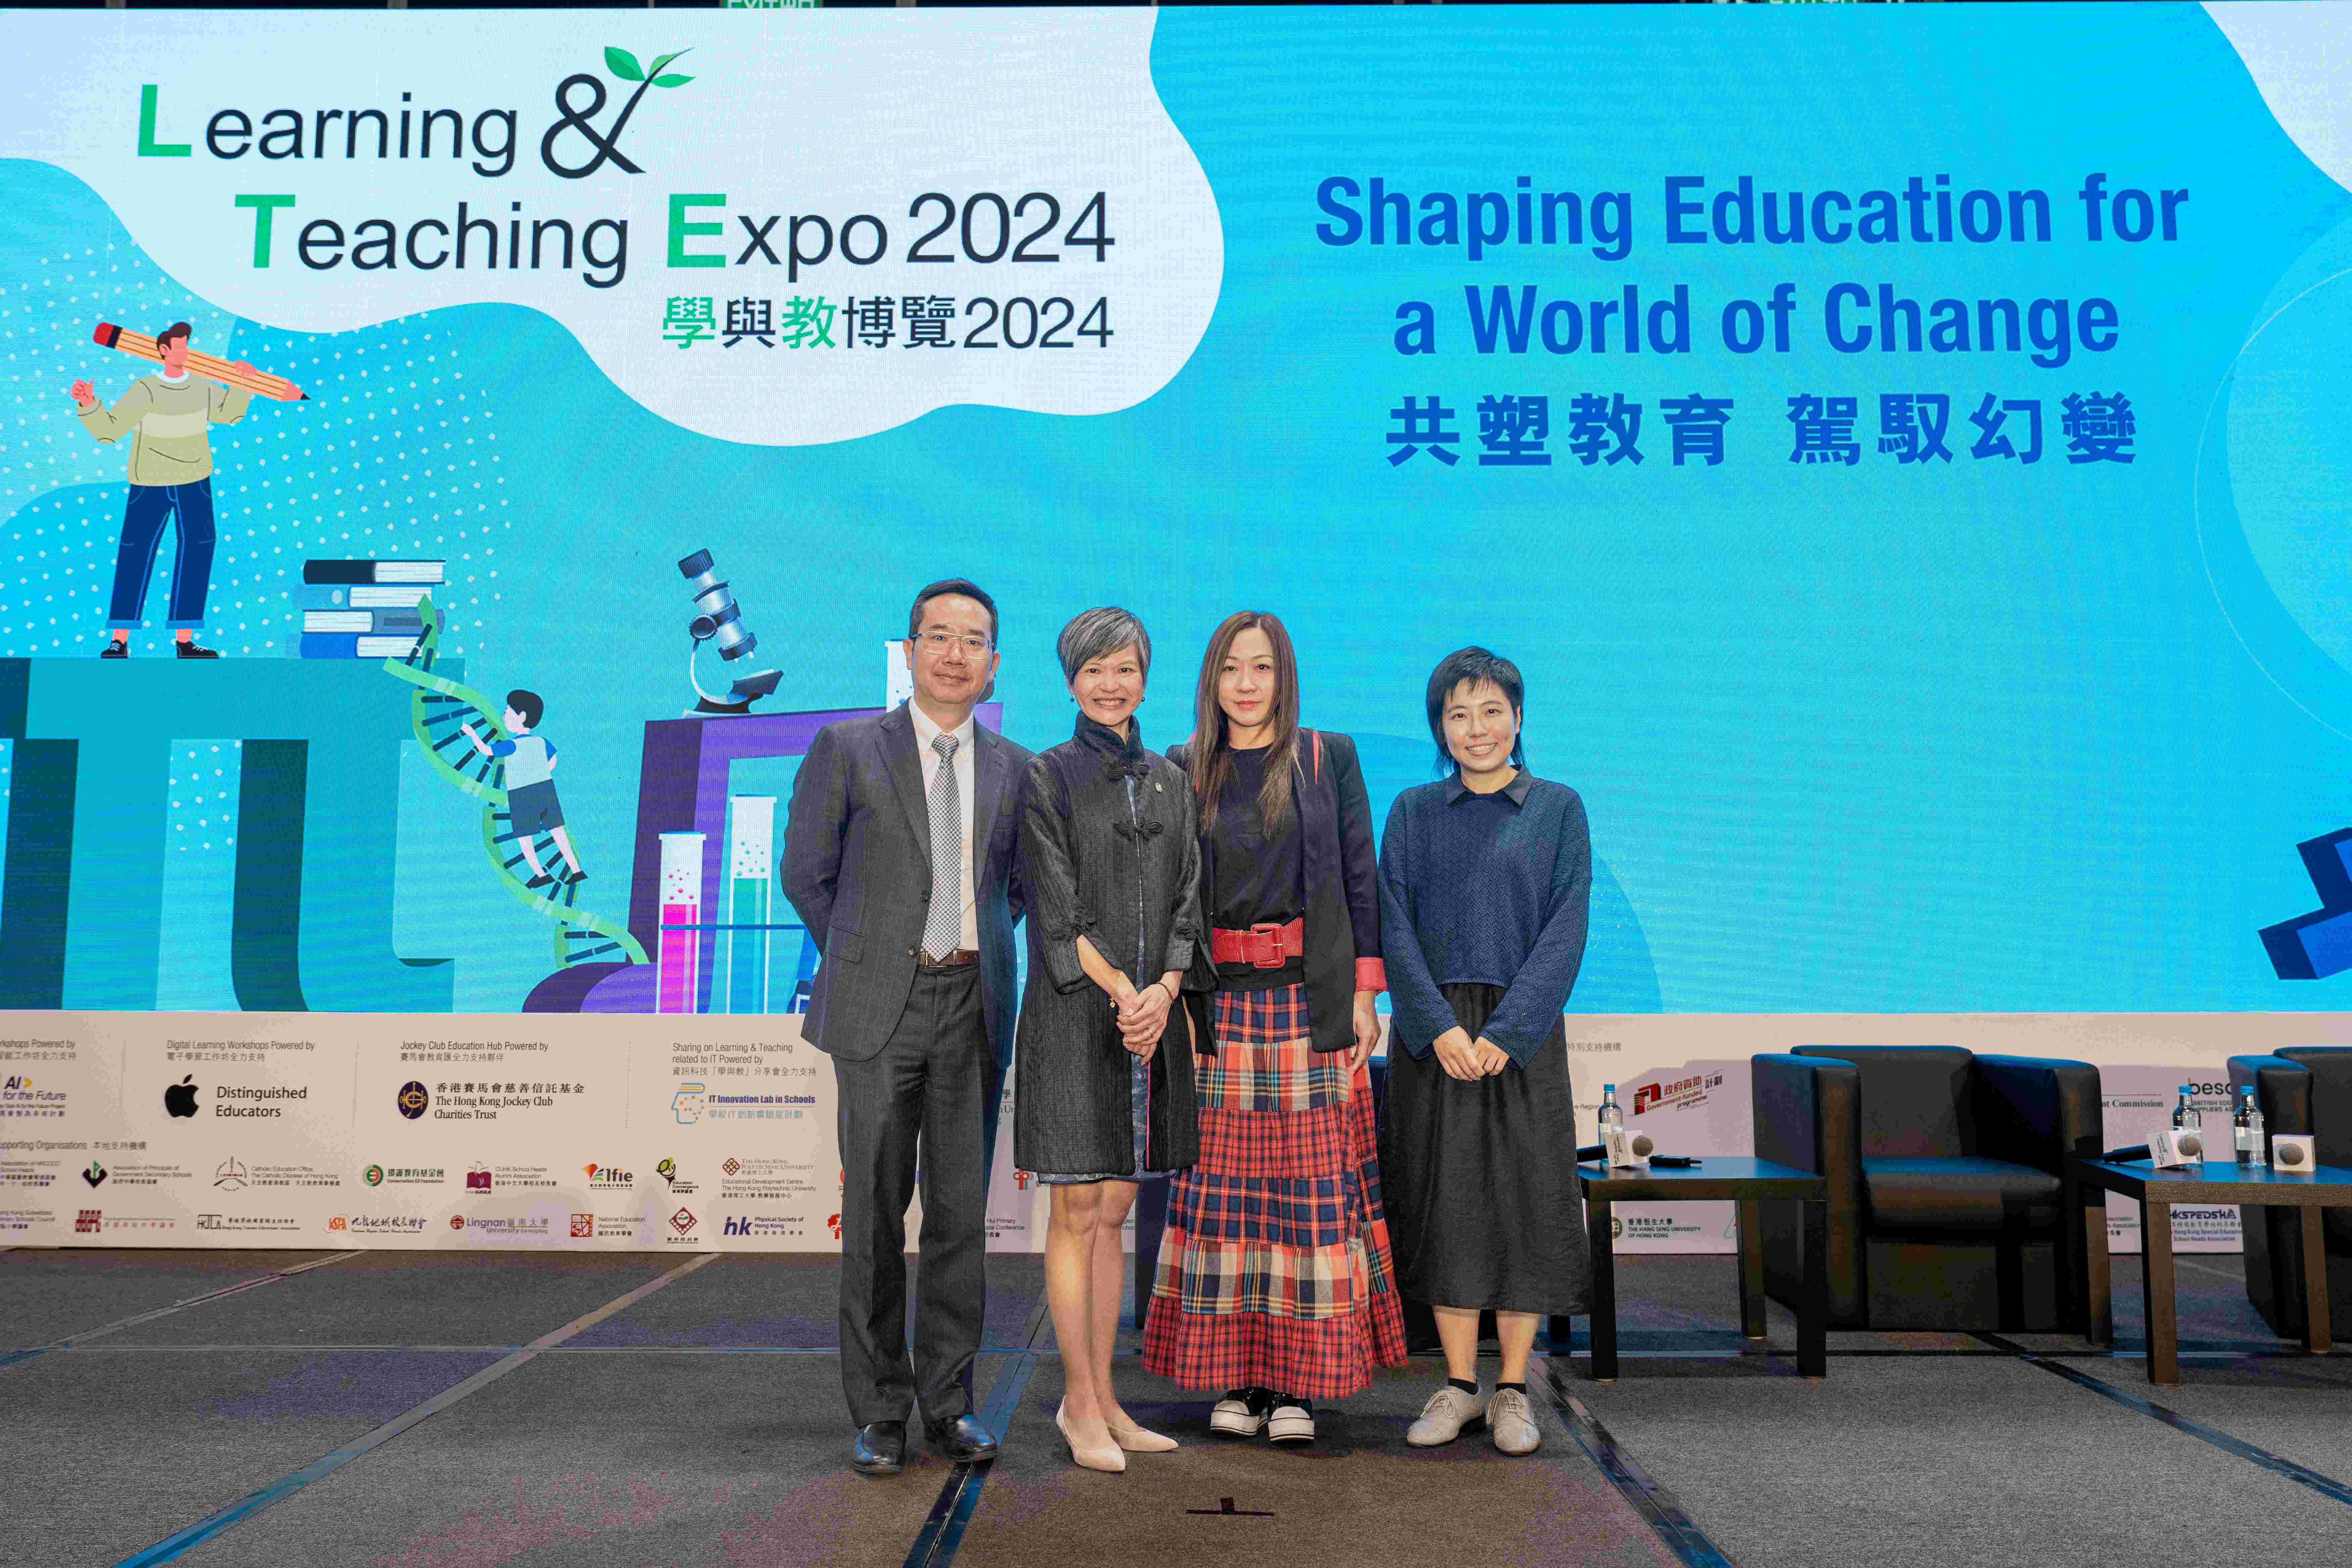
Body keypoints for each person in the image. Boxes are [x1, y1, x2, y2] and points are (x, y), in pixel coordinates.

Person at [780, 579, 1031, 1477]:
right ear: (911, 650)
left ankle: (949, 1405)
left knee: (961, 1218)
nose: (956, 653)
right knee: (876, 1215)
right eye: (939, 635)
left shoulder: (1016, 767)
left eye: (974, 640)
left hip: (973, 1006)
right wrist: (870, 958)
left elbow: (1022, 888)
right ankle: (881, 1409)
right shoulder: (848, 748)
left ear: (993, 662)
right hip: (879, 1011)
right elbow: (805, 873)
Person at [1141, 611, 1407, 1445]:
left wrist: (1367, 993)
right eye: (1231, 668)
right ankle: (1242, 1378)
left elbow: (1360, 880)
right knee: (1226, 1203)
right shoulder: (1183, 765)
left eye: (1261, 667)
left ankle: (1301, 1385)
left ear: (1284, 676)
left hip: (1308, 1003)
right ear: (1211, 680)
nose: (1246, 684)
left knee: (1310, 1200)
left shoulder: (1328, 758)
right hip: (1217, 1008)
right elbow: (1169, 893)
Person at [1377, 646, 1591, 1458]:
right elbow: (1393, 924)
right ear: (1441, 726)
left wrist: (1507, 1032)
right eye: (1459, 713)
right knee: (1448, 1204)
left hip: (1520, 1034)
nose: (1477, 728)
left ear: (1518, 717)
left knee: (1524, 1204)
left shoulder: (1558, 808)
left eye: (1492, 711)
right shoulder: (1413, 811)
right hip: (1435, 1037)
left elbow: (1567, 925)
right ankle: (1460, 1384)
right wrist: (1437, 1026)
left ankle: (1513, 1388)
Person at [1016, 606, 1204, 1473]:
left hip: (1150, 1020)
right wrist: (1127, 992)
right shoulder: (1046, 775)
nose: (1110, 683)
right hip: (1074, 1016)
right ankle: (1079, 1403)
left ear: (1145, 677)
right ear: (1070, 681)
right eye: (1093, 669)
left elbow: (1189, 901)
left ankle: (1103, 1398)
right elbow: (1055, 911)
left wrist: (1164, 990)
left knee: (1117, 1212)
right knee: (1076, 1210)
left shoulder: (1171, 780)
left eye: (1125, 667)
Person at [69, 321, 299, 659]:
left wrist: (243, 384)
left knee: (197, 554)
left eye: (188, 345)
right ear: (164, 350)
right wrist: (89, 404)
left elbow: (230, 415)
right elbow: (109, 431)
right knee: (135, 554)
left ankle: (185, 641)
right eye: (181, 346)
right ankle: (120, 640)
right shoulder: (145, 390)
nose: (187, 352)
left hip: (194, 482)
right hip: (150, 483)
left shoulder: (202, 387)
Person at [460, 690, 584, 889]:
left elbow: (485, 750)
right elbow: (553, 760)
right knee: (558, 832)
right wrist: (540, 772)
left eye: (507, 712)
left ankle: (541, 874)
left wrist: (471, 732)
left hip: (522, 794)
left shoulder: (511, 745)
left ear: (522, 716)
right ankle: (577, 870)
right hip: (545, 789)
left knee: (525, 837)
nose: (504, 717)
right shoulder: (541, 742)